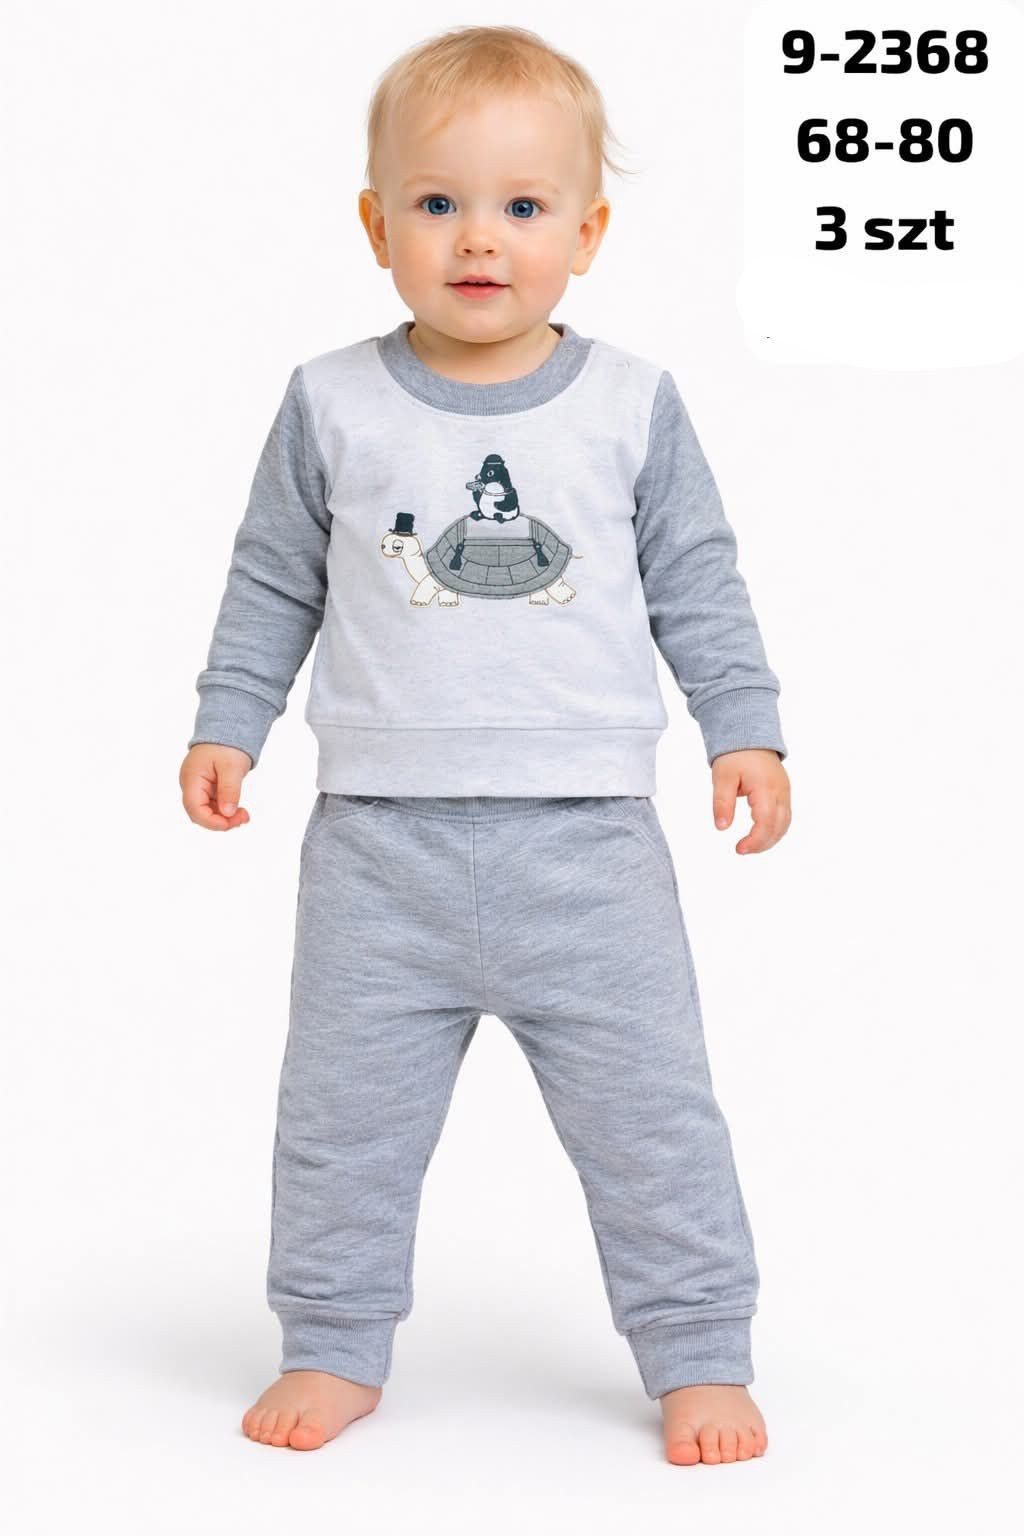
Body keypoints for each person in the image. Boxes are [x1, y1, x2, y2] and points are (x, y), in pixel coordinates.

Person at [179, 24, 791, 1465]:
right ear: (375, 223)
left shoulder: (631, 404)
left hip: (590, 850)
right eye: (437, 202)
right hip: (375, 852)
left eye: (522, 206)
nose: (478, 239)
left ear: (587, 233)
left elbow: (698, 578)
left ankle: (699, 1347)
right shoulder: (331, 401)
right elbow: (272, 578)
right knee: (340, 1123)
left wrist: (745, 729)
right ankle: (331, 1338)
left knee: (654, 1123)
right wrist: (229, 718)